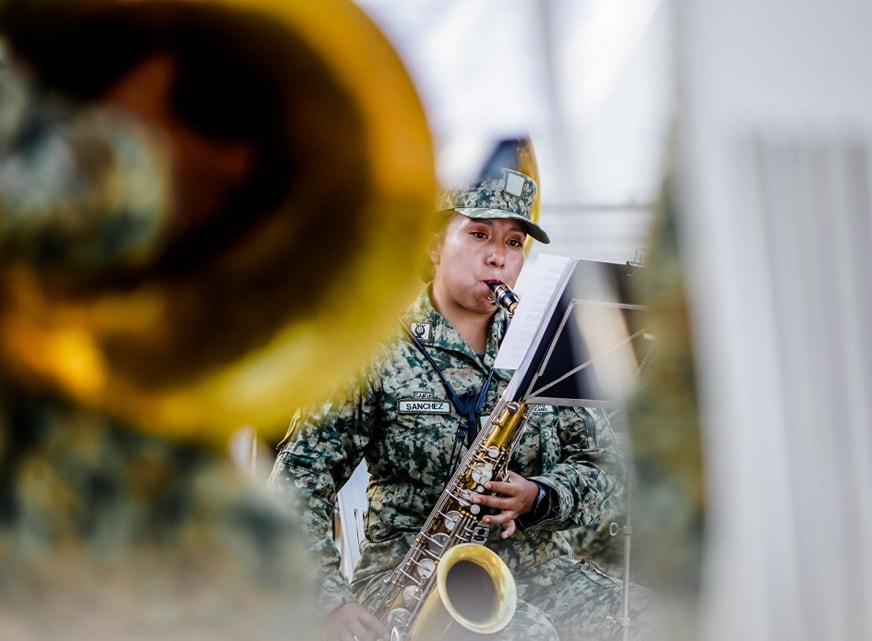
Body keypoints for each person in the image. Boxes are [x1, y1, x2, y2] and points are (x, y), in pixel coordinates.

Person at [0, 0, 433, 637]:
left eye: (261, 184)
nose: (229, 167)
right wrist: (133, 169)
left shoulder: (204, 526)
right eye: (215, 101)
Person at [268, 166, 655, 641]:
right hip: (413, 583)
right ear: (434, 246)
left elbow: (607, 470)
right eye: (479, 234)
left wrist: (539, 495)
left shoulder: (547, 346)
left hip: (542, 572)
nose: (498, 257)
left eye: (514, 243)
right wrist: (328, 598)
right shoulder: (370, 350)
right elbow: (297, 480)